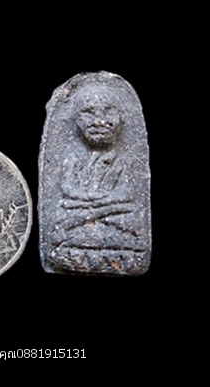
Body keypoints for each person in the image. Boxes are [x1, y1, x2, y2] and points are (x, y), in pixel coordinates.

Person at [50, 86, 145, 271]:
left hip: (110, 210)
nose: (99, 121)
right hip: (82, 206)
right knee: (61, 213)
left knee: (132, 216)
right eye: (88, 112)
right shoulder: (73, 156)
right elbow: (67, 187)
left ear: (121, 118)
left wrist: (96, 206)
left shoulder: (122, 159)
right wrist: (91, 200)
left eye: (109, 112)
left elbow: (127, 193)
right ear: (75, 119)